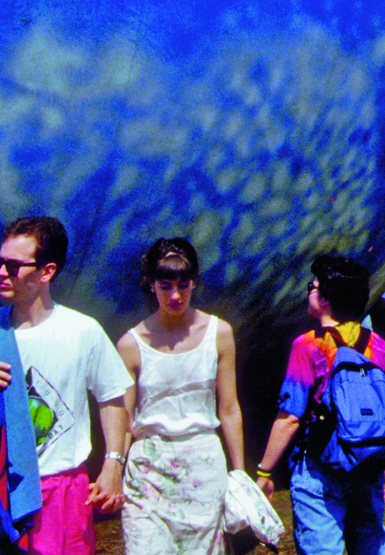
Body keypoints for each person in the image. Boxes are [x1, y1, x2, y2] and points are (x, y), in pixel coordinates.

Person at [0, 216, 132, 555]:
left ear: (47, 271)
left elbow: (112, 399)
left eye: (13, 265)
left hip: (62, 490)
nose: (0, 272)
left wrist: (113, 464)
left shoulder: (82, 331)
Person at [255, 254, 385, 555]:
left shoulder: (308, 345)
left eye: (312, 286)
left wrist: (265, 471)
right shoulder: (379, 345)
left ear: (326, 299)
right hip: (368, 464)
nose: (308, 291)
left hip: (320, 467)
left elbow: (290, 417)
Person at [115, 238, 245, 555]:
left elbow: (228, 409)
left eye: (183, 286)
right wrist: (113, 470)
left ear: (194, 283)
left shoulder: (220, 333)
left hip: (203, 463)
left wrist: (239, 473)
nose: (175, 296)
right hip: (148, 468)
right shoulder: (130, 344)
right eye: (165, 286)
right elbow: (124, 420)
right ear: (150, 286)